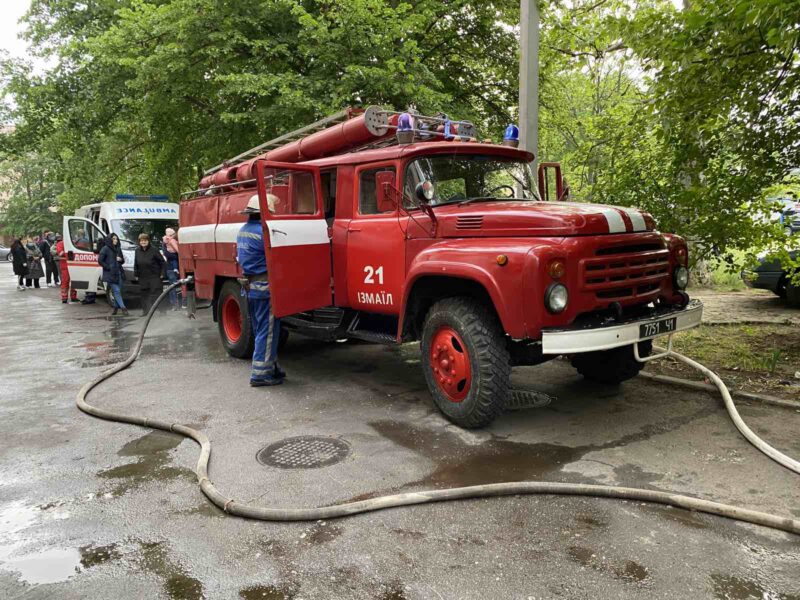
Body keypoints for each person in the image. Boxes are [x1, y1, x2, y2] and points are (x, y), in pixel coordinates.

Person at [236, 193, 285, 387]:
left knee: (261, 329)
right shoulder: (263, 233)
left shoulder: (243, 230)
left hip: (250, 288)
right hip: (265, 288)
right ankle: (261, 375)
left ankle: (271, 368)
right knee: (269, 330)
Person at [134, 232, 165, 316]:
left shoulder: (154, 250)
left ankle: (162, 311)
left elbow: (162, 262)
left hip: (154, 276)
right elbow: (136, 263)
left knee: (157, 294)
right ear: (139, 241)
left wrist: (162, 273)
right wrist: (136, 274)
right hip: (143, 276)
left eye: (145, 240)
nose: (143, 242)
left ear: (148, 241)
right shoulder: (137, 251)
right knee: (144, 295)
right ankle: (146, 312)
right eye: (141, 241)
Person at [98, 233, 129, 316]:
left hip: (119, 272)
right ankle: (123, 308)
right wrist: (108, 267)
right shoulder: (105, 249)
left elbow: (122, 261)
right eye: (113, 239)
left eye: (116, 239)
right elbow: (100, 261)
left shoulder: (118, 248)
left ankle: (115, 307)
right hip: (110, 274)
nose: (115, 240)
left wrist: (120, 259)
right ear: (110, 240)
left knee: (118, 291)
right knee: (116, 291)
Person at [54, 233, 78, 303]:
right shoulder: (60, 244)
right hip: (65, 265)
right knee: (65, 281)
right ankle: (64, 298)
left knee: (74, 281)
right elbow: (60, 253)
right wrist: (69, 253)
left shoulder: (73, 243)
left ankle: (73, 297)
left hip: (73, 265)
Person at [162, 227, 181, 310]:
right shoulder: (166, 242)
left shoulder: (177, 240)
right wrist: (177, 255)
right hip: (171, 267)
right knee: (173, 286)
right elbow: (168, 254)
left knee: (181, 285)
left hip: (181, 266)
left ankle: (182, 303)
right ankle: (175, 304)